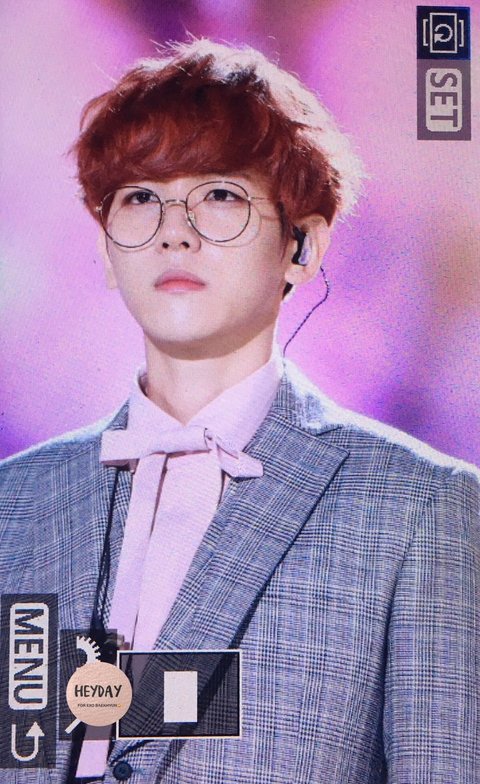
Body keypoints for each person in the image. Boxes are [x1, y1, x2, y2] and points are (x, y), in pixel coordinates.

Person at [0, 38, 478, 784]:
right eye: (140, 198)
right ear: (105, 247)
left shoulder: (422, 508)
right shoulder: (16, 502)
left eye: (219, 194)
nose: (174, 230)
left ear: (302, 245)